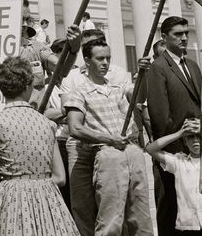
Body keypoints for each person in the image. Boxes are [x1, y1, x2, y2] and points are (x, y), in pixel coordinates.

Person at [0, 56, 79, 236]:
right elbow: (60, 177)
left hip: (11, 200)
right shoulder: (47, 124)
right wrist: (36, 185)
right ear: (29, 86)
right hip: (48, 200)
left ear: (0, 88)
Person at [64, 38, 152, 236]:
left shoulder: (118, 88)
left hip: (132, 152)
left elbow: (140, 96)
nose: (105, 63)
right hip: (108, 155)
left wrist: (144, 75)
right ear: (87, 61)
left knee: (140, 214)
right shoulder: (79, 93)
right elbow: (75, 128)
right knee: (111, 216)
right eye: (100, 58)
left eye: (108, 58)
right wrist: (108, 139)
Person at [59, 28, 131, 235]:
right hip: (80, 148)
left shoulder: (118, 74)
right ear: (85, 54)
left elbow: (130, 102)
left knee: (112, 202)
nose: (105, 62)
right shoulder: (71, 77)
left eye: (107, 55)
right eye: (91, 46)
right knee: (82, 203)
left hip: (111, 147)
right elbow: (69, 116)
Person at [145, 16, 202, 235]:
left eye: (186, 33)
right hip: (174, 151)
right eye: (178, 34)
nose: (184, 38)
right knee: (171, 207)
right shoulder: (158, 67)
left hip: (197, 147)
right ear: (164, 37)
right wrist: (178, 146)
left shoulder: (193, 66)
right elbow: (160, 115)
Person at [145, 118, 202, 235]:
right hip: (190, 227)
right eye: (190, 137)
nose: (195, 140)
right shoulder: (179, 162)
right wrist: (179, 133)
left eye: (199, 136)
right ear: (185, 141)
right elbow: (150, 149)